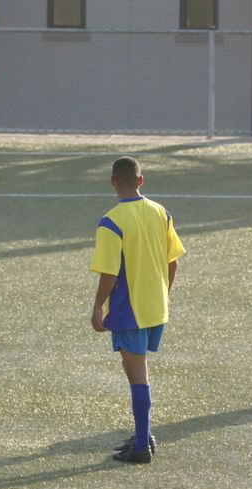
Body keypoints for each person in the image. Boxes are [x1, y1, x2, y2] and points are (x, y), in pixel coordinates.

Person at [90, 157, 185, 463]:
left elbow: (109, 274)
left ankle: (142, 445)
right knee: (137, 371)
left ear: (113, 182)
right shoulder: (161, 212)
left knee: (137, 375)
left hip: (129, 310)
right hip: (156, 306)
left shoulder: (111, 221)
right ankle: (142, 434)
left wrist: (96, 308)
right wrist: (164, 295)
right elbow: (174, 261)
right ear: (141, 181)